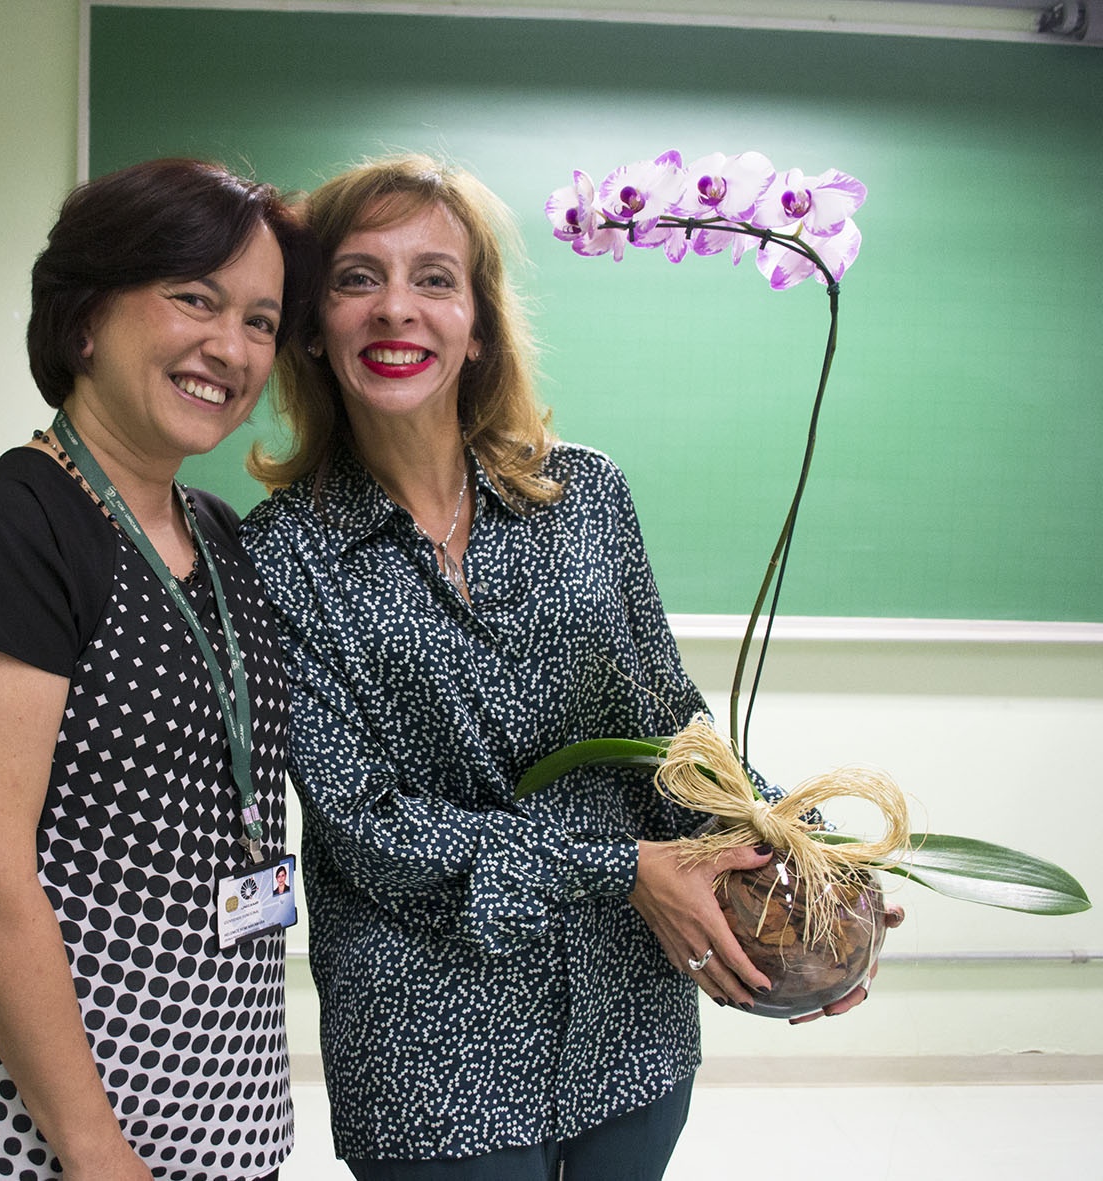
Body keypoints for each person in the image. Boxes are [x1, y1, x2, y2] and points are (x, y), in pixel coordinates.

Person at [240, 155, 894, 1181]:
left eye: (434, 278)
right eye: (356, 278)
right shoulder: (277, 557)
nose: (394, 310)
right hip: (429, 1042)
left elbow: (668, 727)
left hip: (628, 1013)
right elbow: (364, 822)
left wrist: (798, 859)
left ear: (480, 324)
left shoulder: (585, 495)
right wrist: (624, 868)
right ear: (313, 326)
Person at [0, 158, 320, 1180]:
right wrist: (92, 1146)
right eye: (192, 298)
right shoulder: (11, 529)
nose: (229, 347)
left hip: (218, 1105)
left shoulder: (218, 535)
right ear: (83, 319)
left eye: (258, 320)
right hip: (47, 1133)